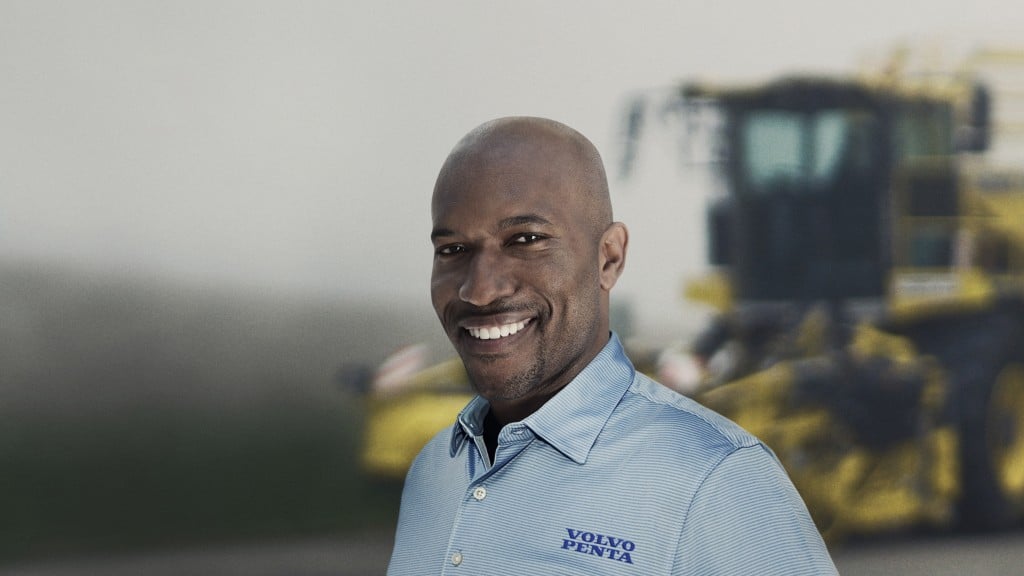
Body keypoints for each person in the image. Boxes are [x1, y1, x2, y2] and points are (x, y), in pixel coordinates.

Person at [386, 116, 838, 575]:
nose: (479, 291)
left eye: (526, 240)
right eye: (453, 250)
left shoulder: (719, 480)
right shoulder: (433, 472)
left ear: (609, 257)